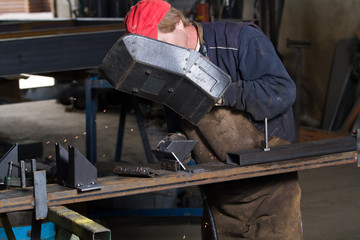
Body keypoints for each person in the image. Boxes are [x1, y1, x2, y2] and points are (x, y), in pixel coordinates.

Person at [124, 0, 303, 239]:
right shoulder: (168, 71)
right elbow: (177, 124)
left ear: (178, 23)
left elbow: (282, 91)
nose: (159, 61)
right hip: (219, 189)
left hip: (269, 182)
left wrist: (222, 93)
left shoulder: (241, 40)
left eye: (160, 48)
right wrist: (177, 143)